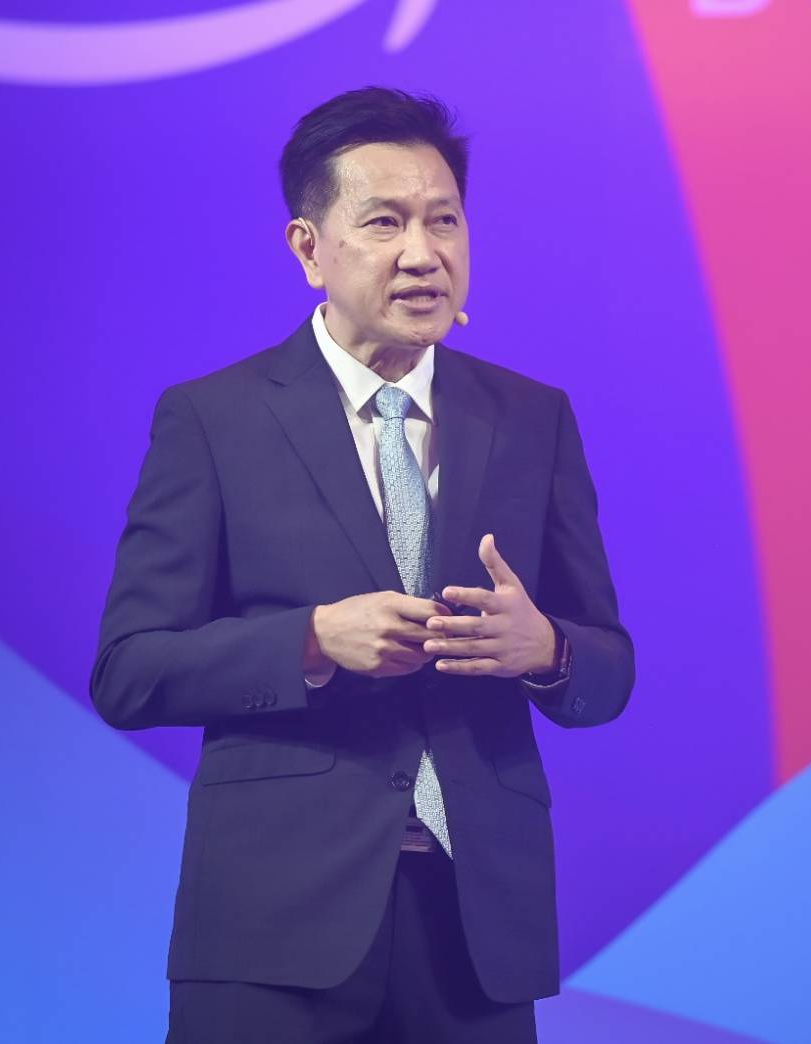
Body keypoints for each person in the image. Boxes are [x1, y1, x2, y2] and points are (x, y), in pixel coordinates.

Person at [90, 86, 634, 1042]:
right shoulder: (215, 419)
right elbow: (130, 672)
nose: (422, 254)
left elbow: (608, 671)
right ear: (308, 248)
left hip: (475, 928)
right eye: (384, 222)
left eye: (443, 220)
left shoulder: (531, 418)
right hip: (272, 926)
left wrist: (546, 649)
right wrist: (309, 641)